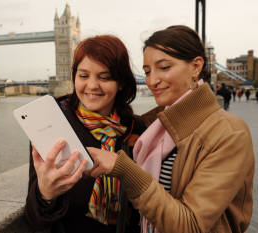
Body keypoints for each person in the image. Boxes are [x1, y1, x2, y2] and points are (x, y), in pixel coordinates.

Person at [85, 25, 254, 233]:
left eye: (164, 67)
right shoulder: (151, 126)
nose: (152, 80)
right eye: (147, 71)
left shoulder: (230, 134)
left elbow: (191, 225)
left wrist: (125, 170)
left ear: (196, 66)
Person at [23, 35, 150, 233]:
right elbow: (34, 218)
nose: (92, 86)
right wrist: (45, 194)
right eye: (83, 76)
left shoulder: (136, 130)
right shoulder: (53, 123)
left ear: (122, 83)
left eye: (105, 77)